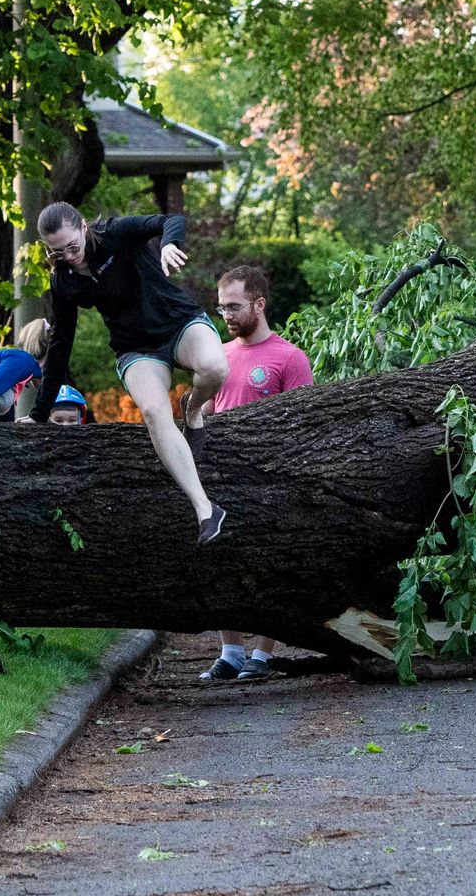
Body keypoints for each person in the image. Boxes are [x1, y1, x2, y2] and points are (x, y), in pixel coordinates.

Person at [25, 201, 230, 543]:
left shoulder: (116, 233)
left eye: (72, 246)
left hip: (179, 322)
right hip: (136, 348)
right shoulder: (63, 280)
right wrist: (39, 413)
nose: (69, 255)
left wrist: (168, 245)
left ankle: (193, 408)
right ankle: (205, 510)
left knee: (215, 368)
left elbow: (172, 220)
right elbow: (60, 344)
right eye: (57, 251)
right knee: (152, 411)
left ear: (84, 227)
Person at [200, 264, 313, 683]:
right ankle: (230, 652)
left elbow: (307, 424)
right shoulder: (218, 355)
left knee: (270, 566)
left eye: (234, 306)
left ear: (259, 304)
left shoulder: (290, 358)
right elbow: (206, 412)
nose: (225, 315)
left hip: (271, 481)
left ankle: (262, 656)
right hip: (222, 478)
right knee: (220, 563)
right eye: (221, 307)